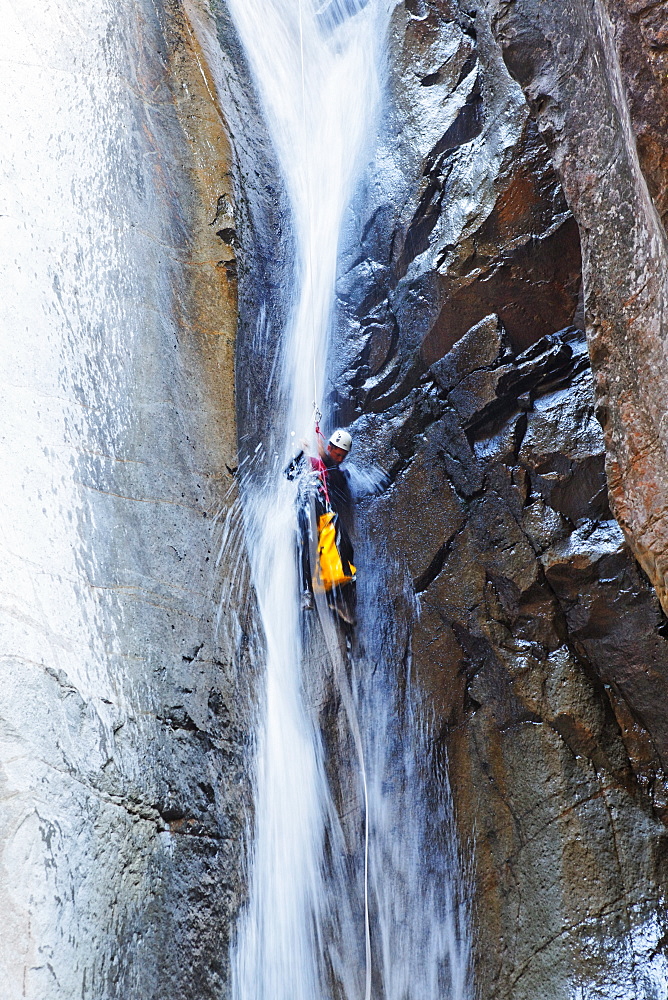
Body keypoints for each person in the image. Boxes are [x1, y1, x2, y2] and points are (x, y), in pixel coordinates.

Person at [286, 428, 356, 623]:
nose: (340, 458)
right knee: (306, 541)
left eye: (343, 456)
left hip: (324, 515)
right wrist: (302, 452)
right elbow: (289, 474)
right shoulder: (312, 464)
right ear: (329, 447)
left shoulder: (341, 473)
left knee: (345, 544)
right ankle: (306, 591)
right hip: (305, 509)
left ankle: (341, 589)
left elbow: (337, 479)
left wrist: (323, 454)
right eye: (337, 454)